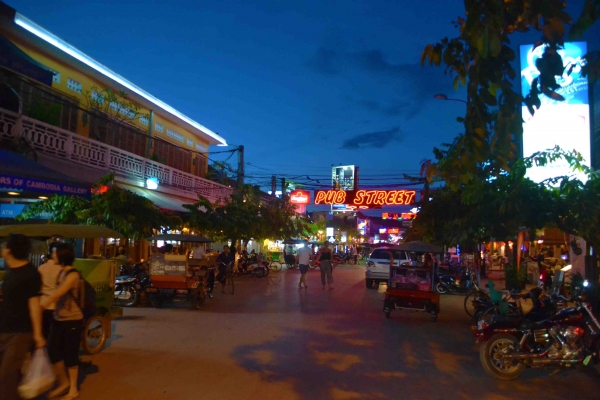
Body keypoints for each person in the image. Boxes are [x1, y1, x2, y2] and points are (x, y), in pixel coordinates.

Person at [0, 234, 45, 400]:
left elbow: (35, 306)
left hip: (20, 332)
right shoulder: (10, 270)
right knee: (8, 374)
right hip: (4, 328)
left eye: (4, 245)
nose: (2, 248)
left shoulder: (30, 274)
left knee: (7, 375)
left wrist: (38, 335)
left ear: (9, 250)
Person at [41, 243, 84, 400]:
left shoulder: (73, 274)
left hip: (73, 320)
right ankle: (63, 382)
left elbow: (59, 292)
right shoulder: (60, 272)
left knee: (70, 355)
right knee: (52, 352)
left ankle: (73, 389)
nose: (52, 256)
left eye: (54, 253)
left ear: (62, 255)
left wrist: (43, 305)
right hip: (58, 318)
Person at [38, 243, 63, 340]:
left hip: (43, 305)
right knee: (54, 335)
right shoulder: (61, 269)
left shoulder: (41, 268)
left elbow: (38, 287)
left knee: (44, 332)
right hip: (56, 306)